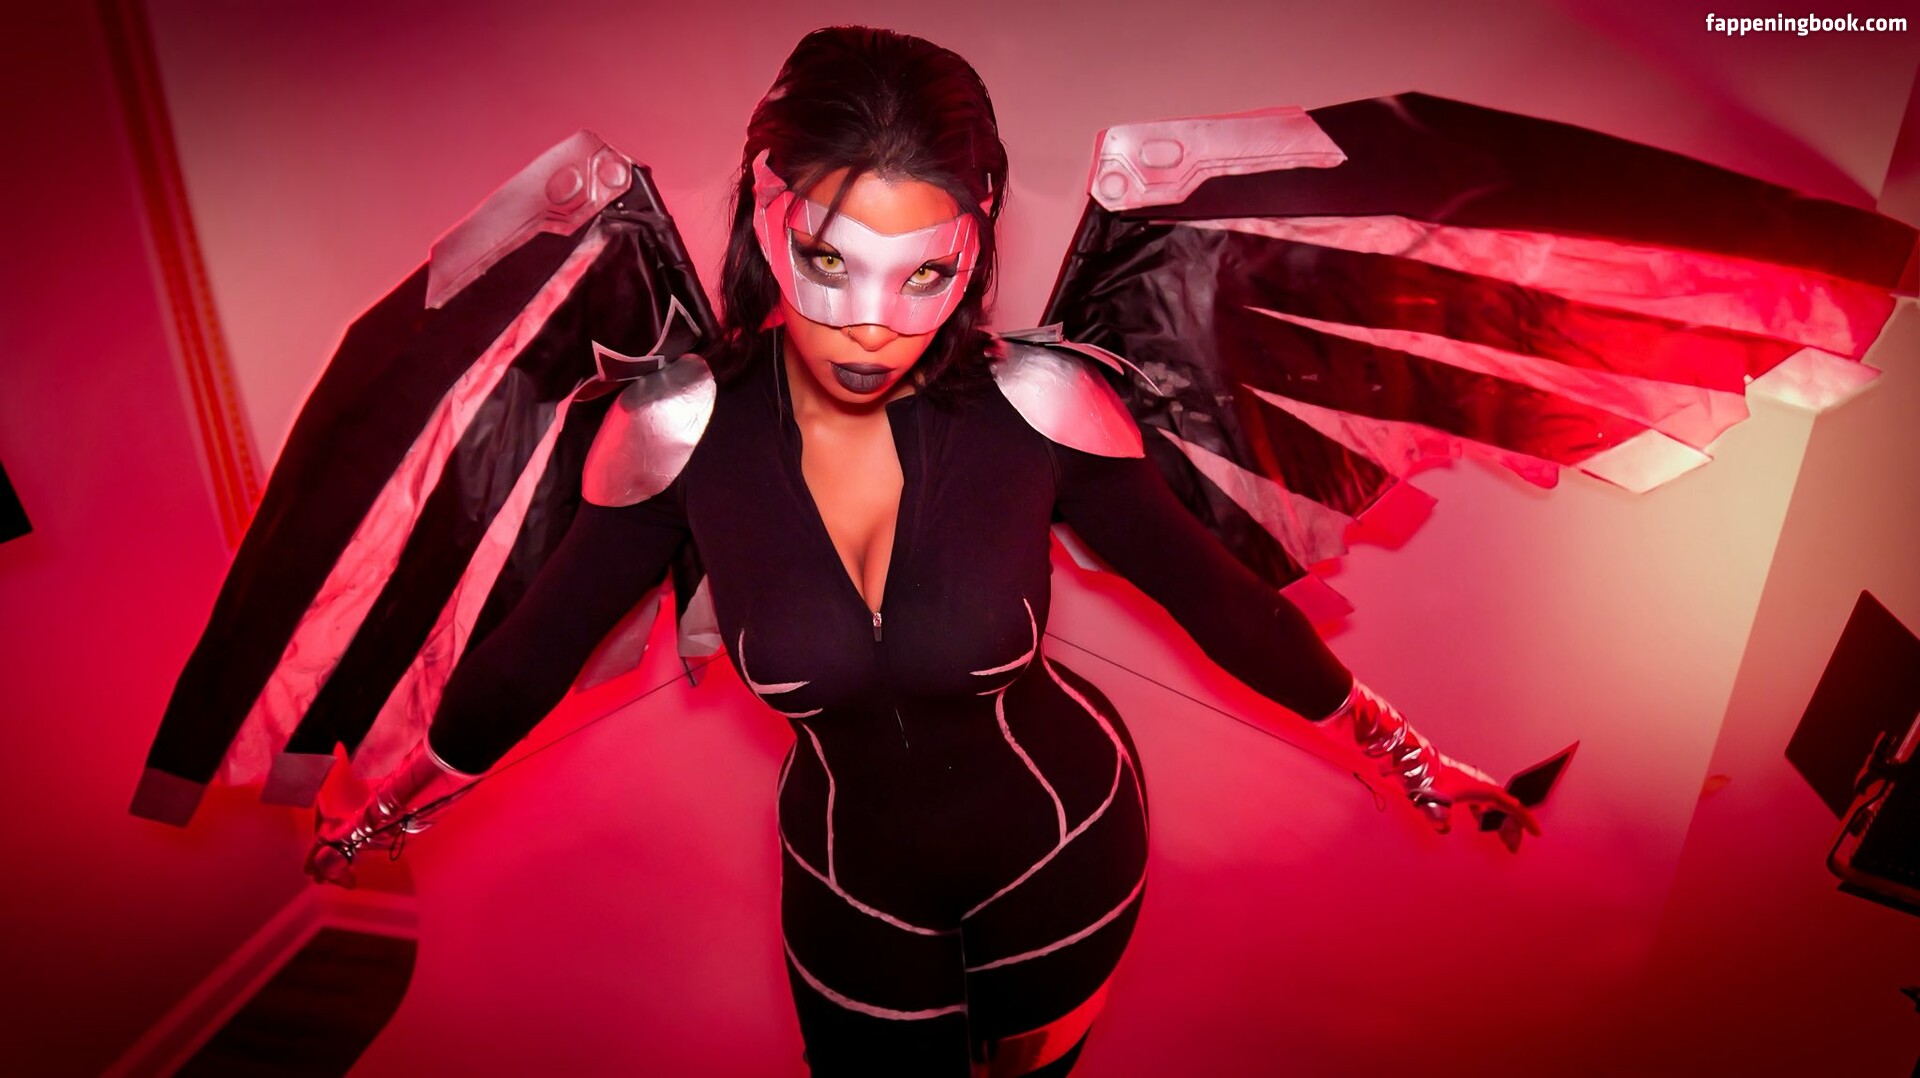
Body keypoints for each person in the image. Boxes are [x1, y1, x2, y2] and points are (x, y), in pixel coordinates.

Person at [309, 26, 1538, 1077]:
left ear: (978, 238)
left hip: (1066, 846)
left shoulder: (1043, 403)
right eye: (829, 260)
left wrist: (1407, 758)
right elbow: (530, 658)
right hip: (849, 885)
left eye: (927, 274)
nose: (871, 325)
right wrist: (378, 809)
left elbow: (1219, 600)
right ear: (764, 204)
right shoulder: (669, 431)